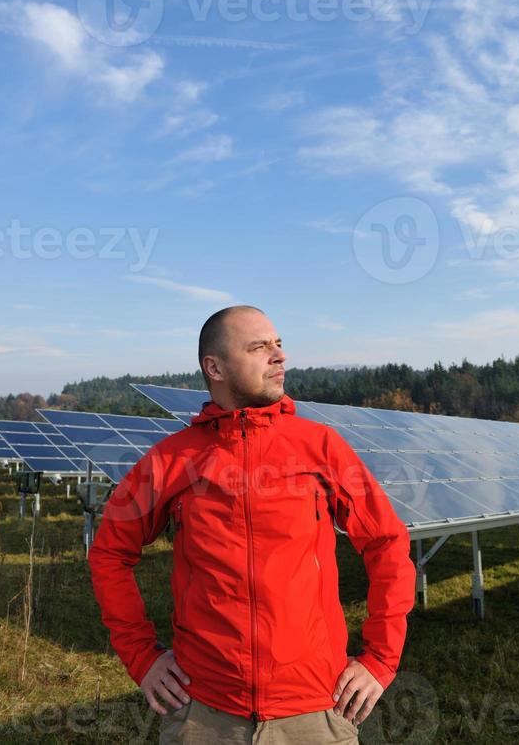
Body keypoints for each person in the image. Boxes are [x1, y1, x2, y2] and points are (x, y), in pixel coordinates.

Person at [88, 305, 417, 744]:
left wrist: (380, 657)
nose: (279, 356)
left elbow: (387, 542)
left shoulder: (321, 447)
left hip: (316, 710)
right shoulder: (171, 460)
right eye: (260, 347)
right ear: (215, 367)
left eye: (278, 344)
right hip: (203, 714)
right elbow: (110, 551)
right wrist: (141, 656)